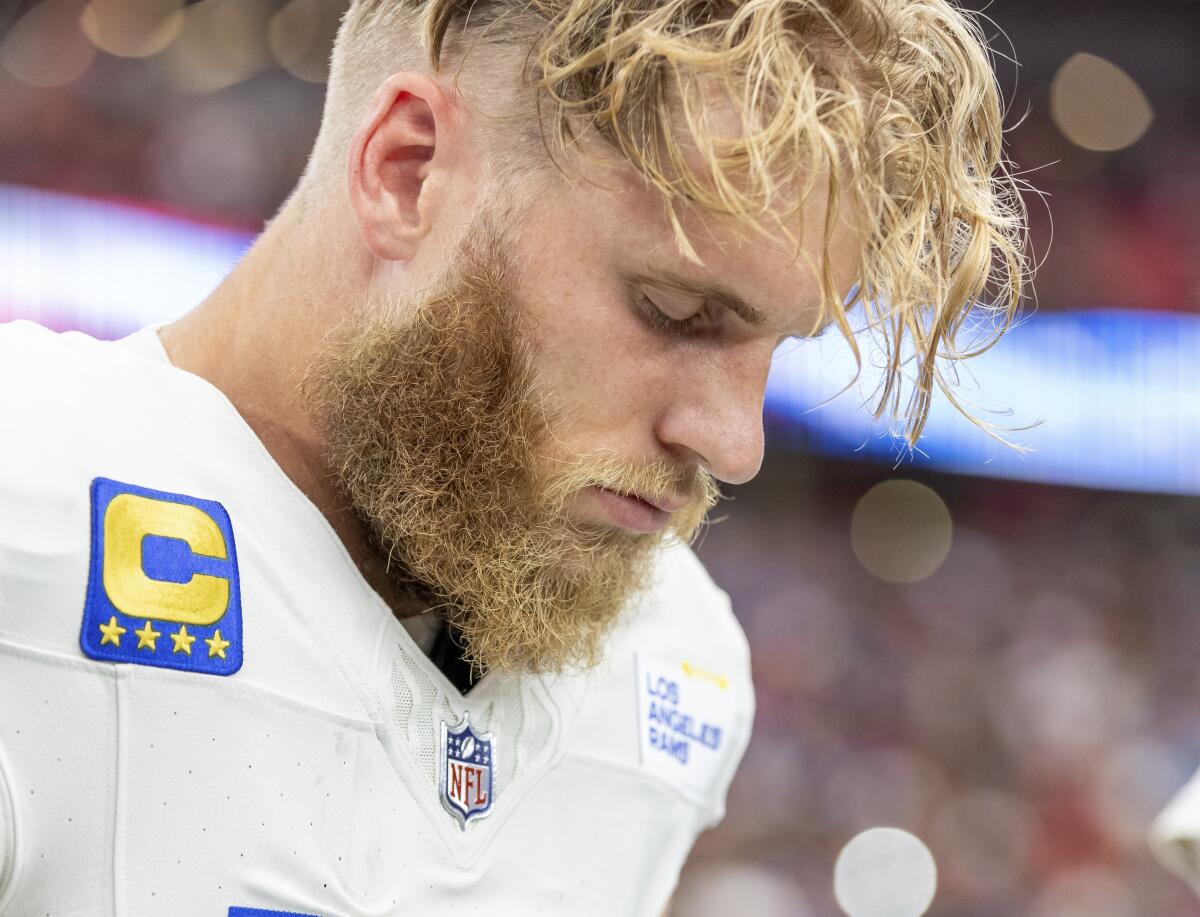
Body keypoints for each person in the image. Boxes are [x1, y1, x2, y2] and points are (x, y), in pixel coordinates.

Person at [0, 0, 1027, 913]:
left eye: (777, 344)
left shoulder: (674, 665)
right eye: (676, 311)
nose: (735, 441)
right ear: (408, 170)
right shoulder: (28, 497)